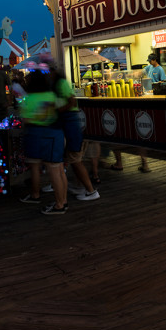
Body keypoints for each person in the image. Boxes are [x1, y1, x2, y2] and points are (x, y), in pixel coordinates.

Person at [45, 55, 99, 201]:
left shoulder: (61, 83)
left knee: (75, 159)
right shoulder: (56, 84)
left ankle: (90, 190)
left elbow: (71, 101)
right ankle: (76, 186)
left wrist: (57, 111)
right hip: (66, 125)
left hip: (70, 124)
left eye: (47, 72)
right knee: (69, 158)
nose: (47, 75)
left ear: (53, 71)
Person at [16, 67, 68, 214]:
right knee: (58, 169)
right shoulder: (52, 95)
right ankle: (63, 201)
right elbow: (62, 108)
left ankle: (59, 205)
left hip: (42, 134)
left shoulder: (29, 99)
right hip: (57, 132)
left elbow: (25, 119)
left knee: (50, 170)